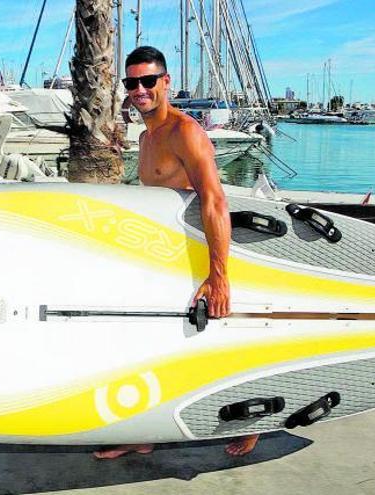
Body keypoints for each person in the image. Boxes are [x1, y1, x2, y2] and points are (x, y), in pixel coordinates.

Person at [93, 46, 260, 460]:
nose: (139, 90)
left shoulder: (186, 131)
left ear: (166, 82)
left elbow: (215, 201)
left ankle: (254, 420)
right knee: (146, 343)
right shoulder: (148, 137)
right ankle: (146, 431)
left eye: (148, 80)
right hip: (162, 258)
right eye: (131, 83)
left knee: (209, 343)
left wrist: (218, 276)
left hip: (195, 255)